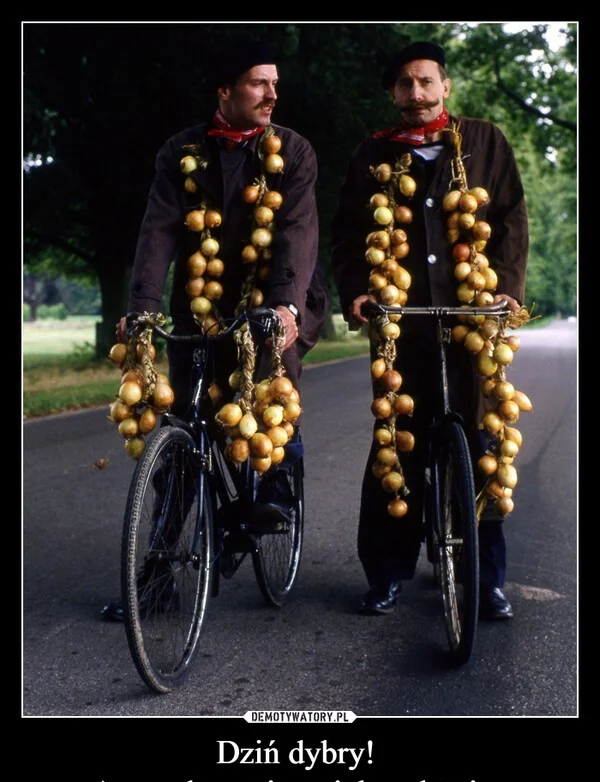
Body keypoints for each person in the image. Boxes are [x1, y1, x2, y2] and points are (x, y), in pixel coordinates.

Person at [101, 38, 328, 621]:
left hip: (279, 298)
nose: (273, 93)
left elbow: (297, 232)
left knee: (274, 399)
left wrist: (284, 306)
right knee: (181, 429)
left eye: (275, 83)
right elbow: (157, 233)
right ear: (225, 91)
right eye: (259, 83)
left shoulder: (294, 151)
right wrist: (143, 306)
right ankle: (156, 573)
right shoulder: (181, 152)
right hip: (200, 307)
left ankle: (274, 496)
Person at [331, 41, 528, 620]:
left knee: (482, 444)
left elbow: (511, 215)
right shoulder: (374, 154)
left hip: (474, 320)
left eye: (426, 82)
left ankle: (485, 579)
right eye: (405, 85)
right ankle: (388, 573)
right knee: (395, 443)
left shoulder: (484, 141)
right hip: (401, 324)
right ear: (393, 94)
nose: (416, 94)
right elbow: (346, 231)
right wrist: (357, 292)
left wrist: (507, 289)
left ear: (444, 87)